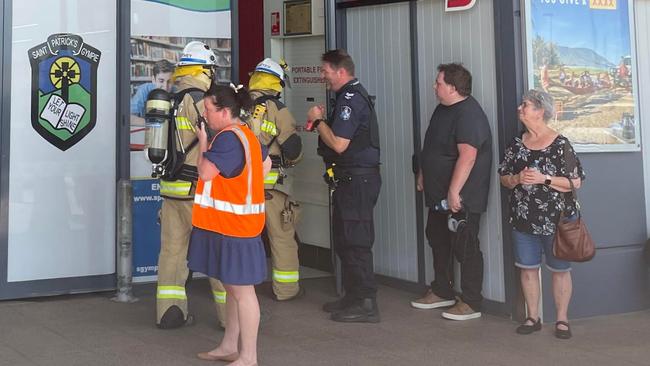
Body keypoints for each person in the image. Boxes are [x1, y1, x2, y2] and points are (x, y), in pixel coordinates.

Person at [190, 82, 270, 366]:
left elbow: (206, 172)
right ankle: (229, 346)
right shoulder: (246, 135)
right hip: (238, 225)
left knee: (242, 292)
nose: (206, 116)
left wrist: (202, 142)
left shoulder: (225, 138)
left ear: (224, 112)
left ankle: (248, 357)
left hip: (233, 228)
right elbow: (266, 164)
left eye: (209, 110)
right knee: (233, 288)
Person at [498, 89, 585, 339]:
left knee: (559, 270)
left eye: (525, 105)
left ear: (540, 111)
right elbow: (503, 177)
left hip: (557, 220)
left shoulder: (560, 144)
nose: (519, 108)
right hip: (523, 219)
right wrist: (516, 178)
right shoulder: (516, 144)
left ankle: (561, 320)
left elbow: (575, 182)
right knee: (527, 269)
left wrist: (544, 179)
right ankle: (532, 317)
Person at [411, 63, 492, 321]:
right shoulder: (442, 109)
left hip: (461, 199)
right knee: (437, 240)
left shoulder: (469, 114)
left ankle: (470, 301)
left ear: (453, 88)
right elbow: (432, 147)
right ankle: (442, 290)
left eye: (439, 83)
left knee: (465, 245)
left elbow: (468, 156)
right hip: (438, 196)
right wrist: (424, 173)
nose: (435, 87)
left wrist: (455, 192)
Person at [155, 41, 228, 329]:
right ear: (206, 70)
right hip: (199, 190)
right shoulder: (202, 101)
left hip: (172, 189)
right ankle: (230, 317)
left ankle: (169, 311)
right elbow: (225, 139)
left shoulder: (169, 100)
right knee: (218, 253)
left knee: (172, 253)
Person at [306, 49, 382, 323]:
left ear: (340, 71)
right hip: (349, 180)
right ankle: (352, 296)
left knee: (357, 240)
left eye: (325, 70)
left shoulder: (351, 98)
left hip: (358, 180)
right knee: (345, 239)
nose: (323, 75)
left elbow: (339, 143)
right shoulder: (345, 97)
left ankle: (366, 302)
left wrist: (318, 122)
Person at [247, 58, 304, 301]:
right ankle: (286, 291)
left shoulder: (240, 105)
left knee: (243, 239)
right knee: (282, 237)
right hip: (271, 188)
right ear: (277, 83)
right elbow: (292, 150)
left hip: (242, 186)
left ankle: (242, 289)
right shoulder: (278, 109)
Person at [130, 59, 174, 125]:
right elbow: (130, 117)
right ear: (153, 80)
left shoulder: (176, 92)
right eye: (161, 81)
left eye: (169, 82)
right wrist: (153, 124)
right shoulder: (144, 91)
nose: (165, 87)